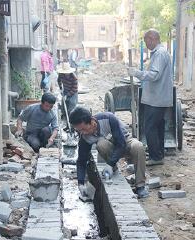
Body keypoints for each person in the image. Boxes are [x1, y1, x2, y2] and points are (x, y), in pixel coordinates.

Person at [69, 107, 149, 199]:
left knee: (138, 146)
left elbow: (121, 144)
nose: (82, 133)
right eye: (79, 130)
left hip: (124, 142)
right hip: (110, 148)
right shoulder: (85, 137)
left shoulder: (108, 118)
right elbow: (81, 161)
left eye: (83, 129)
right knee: (101, 144)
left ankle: (140, 186)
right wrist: (80, 183)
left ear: (91, 122)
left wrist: (110, 164)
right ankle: (113, 169)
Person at [128, 29, 173, 166]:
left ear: (152, 38)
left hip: (156, 99)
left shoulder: (159, 54)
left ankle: (156, 157)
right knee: (158, 127)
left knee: (150, 128)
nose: (146, 43)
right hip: (158, 98)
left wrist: (137, 73)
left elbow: (154, 75)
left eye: (146, 39)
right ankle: (158, 155)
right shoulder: (160, 53)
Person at [57, 62, 78, 128]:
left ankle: (72, 126)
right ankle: (66, 123)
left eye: (67, 72)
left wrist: (67, 95)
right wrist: (61, 89)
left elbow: (74, 89)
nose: (66, 74)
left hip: (73, 93)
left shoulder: (74, 78)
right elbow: (59, 81)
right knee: (64, 108)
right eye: (64, 72)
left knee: (71, 109)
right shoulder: (61, 74)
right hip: (65, 91)